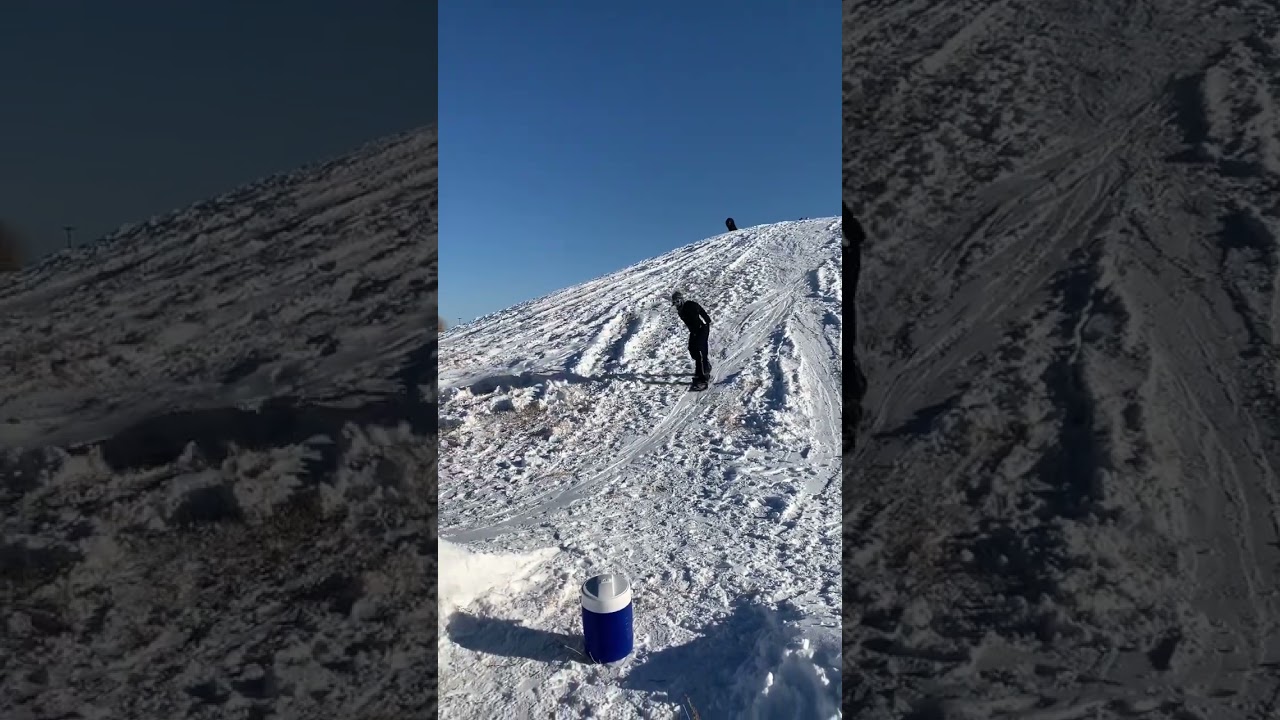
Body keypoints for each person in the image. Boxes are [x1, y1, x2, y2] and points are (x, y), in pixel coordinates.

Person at [671, 291, 712, 388]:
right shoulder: (680, 310)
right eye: (674, 302)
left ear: (681, 300)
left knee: (700, 350)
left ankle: (703, 377)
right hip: (694, 331)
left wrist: (706, 319)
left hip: (702, 329)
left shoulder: (689, 306)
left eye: (677, 301)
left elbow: (699, 311)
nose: (676, 304)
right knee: (692, 349)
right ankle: (704, 368)